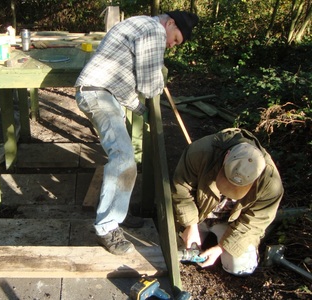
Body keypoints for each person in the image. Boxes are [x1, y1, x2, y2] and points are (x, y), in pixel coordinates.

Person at [75, 11, 199, 255]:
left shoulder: (138, 24)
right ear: (170, 23)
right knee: (124, 158)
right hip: (98, 93)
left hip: (104, 92)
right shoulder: (153, 30)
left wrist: (141, 107)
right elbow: (148, 84)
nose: (172, 45)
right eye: (175, 39)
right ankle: (107, 227)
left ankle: (118, 212)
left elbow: (122, 82)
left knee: (125, 157)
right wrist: (158, 82)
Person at [172, 128, 284, 275]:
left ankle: (218, 245)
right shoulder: (200, 152)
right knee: (177, 252)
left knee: (240, 268)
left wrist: (222, 248)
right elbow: (181, 189)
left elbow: (255, 222)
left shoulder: (270, 183)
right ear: (226, 157)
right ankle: (201, 234)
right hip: (198, 213)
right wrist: (190, 224)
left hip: (231, 223)